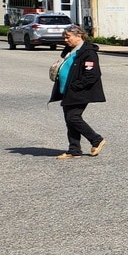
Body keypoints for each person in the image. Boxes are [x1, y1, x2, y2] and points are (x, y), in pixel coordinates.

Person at [50, 25, 106, 159]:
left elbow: (92, 74)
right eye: (64, 37)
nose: (65, 40)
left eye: (68, 37)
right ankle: (74, 150)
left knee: (73, 117)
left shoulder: (88, 52)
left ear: (79, 35)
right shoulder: (71, 50)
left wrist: (76, 85)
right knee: (70, 121)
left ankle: (96, 139)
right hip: (67, 90)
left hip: (80, 91)